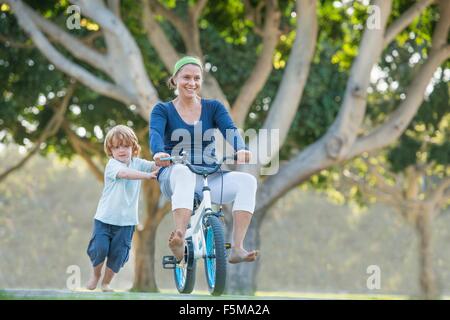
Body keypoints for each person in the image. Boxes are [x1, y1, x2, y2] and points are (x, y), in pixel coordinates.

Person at [150, 56, 259, 264]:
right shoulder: (162, 110)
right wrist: (158, 153)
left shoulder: (213, 108)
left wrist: (241, 148)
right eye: (186, 77)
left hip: (209, 174)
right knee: (182, 171)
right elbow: (155, 134)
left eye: (197, 78)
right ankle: (180, 238)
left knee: (248, 182)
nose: (192, 83)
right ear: (175, 80)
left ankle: (237, 248)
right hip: (175, 174)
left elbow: (230, 130)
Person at [86, 125, 159, 292]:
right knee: (100, 249)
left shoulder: (138, 163)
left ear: (133, 147)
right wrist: (147, 176)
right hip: (104, 219)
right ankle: (96, 275)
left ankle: (106, 283)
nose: (121, 150)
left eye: (125, 146)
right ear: (110, 150)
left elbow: (155, 165)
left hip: (126, 222)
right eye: (116, 147)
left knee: (118, 255)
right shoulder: (112, 165)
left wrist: (165, 163)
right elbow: (125, 174)